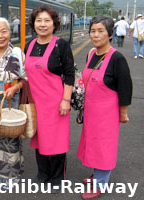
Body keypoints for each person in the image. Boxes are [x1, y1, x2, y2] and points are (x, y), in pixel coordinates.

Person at [77, 16, 132, 199]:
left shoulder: (117, 58)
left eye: (101, 31)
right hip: (91, 111)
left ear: (110, 34)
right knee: (92, 144)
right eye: (93, 31)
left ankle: (100, 183)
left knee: (103, 147)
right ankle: (98, 174)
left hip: (107, 113)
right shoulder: (92, 53)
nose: (96, 34)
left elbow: (125, 87)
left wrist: (123, 113)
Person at [24, 5, 74, 192]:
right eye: (39, 21)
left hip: (56, 102)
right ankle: (42, 173)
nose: (42, 25)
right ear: (33, 24)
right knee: (39, 139)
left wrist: (66, 100)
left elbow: (69, 74)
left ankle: (57, 177)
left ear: (54, 24)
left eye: (47, 21)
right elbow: (25, 75)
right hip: (36, 103)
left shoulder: (61, 45)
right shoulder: (29, 45)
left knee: (57, 140)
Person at [0, 17, 26, 189]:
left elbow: (24, 79)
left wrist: (16, 88)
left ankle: (10, 174)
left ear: (10, 32)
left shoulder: (17, 52)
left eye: (4, 31)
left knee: (10, 136)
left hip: (11, 99)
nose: (0, 36)